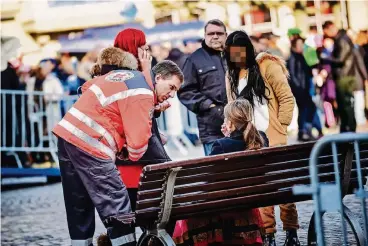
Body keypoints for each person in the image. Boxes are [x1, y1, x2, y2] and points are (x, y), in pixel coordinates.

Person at [53, 46, 183, 246]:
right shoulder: (143, 93)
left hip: (67, 134)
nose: (172, 94)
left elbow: (88, 88)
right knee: (117, 203)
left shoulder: (127, 77)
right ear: (158, 78)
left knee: (78, 203)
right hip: (92, 144)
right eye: (171, 87)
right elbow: (138, 146)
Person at [224, 31, 299, 246]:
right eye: (231, 55)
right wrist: (230, 124)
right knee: (261, 189)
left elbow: (286, 97)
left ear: (248, 49)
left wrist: (281, 127)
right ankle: (268, 233)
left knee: (283, 187)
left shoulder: (267, 66)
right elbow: (233, 109)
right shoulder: (232, 76)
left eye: (239, 53)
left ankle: (291, 232)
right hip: (251, 138)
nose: (236, 58)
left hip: (273, 134)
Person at [172, 99, 267, 246]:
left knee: (187, 215)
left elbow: (210, 181)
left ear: (229, 121)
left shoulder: (221, 145)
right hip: (251, 199)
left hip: (225, 203)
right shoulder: (261, 139)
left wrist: (225, 139)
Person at [112, 28, 172, 211]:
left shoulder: (132, 70)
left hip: (139, 153)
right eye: (141, 44)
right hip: (131, 157)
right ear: (131, 46)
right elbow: (144, 100)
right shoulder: (121, 74)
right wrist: (146, 69)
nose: (146, 48)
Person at [178, 19, 228, 156]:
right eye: (211, 33)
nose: (215, 36)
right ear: (205, 36)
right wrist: (209, 106)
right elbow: (185, 91)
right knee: (218, 172)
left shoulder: (235, 54)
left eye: (219, 33)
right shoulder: (194, 59)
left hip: (240, 127)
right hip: (212, 130)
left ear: (226, 35)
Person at [322, 21, 358, 132]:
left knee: (346, 105)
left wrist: (326, 58)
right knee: (344, 105)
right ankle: (347, 129)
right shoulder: (341, 39)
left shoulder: (342, 39)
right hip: (344, 75)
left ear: (330, 28)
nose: (327, 35)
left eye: (326, 32)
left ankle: (349, 129)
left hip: (344, 76)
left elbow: (341, 59)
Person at [287, 37, 317, 141]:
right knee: (306, 109)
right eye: (300, 44)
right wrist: (298, 88)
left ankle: (305, 130)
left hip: (304, 88)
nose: (302, 46)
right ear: (294, 46)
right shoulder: (293, 58)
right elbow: (292, 75)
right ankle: (303, 131)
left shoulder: (301, 56)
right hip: (300, 90)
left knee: (308, 108)